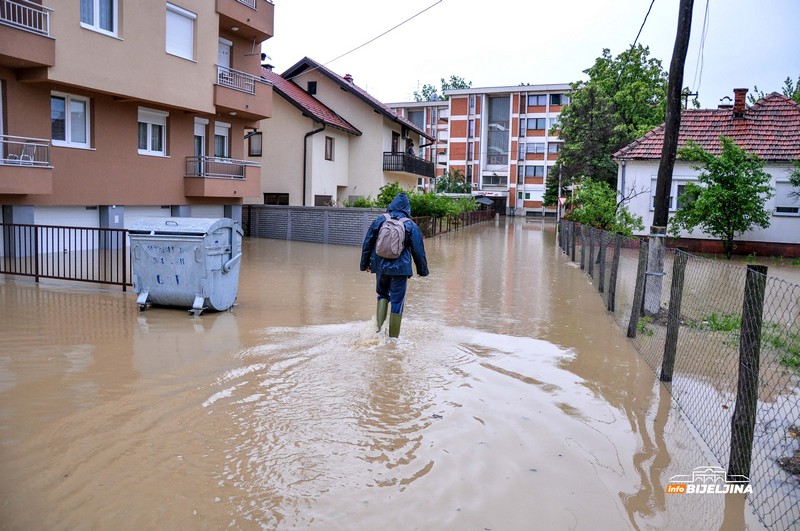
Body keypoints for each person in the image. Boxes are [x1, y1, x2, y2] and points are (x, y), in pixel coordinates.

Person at [360, 192, 429, 337]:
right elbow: (418, 250)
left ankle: (379, 333)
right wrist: (422, 270)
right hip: (401, 269)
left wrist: (365, 264)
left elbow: (368, 242)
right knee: (397, 301)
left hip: (380, 266)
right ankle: (393, 340)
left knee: (382, 295)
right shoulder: (410, 225)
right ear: (407, 208)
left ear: (392, 205)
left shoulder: (380, 220)